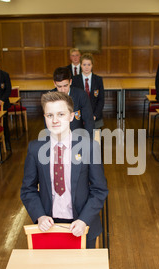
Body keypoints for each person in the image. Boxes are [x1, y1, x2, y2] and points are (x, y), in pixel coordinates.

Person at [20, 91, 108, 248]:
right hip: (48, 226)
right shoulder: (35, 149)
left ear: (71, 116)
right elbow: (28, 190)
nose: (55, 120)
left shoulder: (89, 147)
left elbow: (99, 190)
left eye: (61, 114)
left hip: (82, 225)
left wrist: (84, 219)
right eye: (49, 115)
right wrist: (39, 216)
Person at [52, 66, 95, 138]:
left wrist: (88, 142)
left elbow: (89, 121)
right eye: (59, 86)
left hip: (78, 137)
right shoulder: (50, 98)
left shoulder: (81, 95)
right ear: (54, 83)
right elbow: (48, 124)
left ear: (70, 82)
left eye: (65, 86)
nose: (63, 90)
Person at [72, 52, 105, 129]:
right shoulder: (74, 80)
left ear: (92, 65)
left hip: (95, 117)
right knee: (81, 139)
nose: (86, 67)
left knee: (96, 139)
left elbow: (101, 100)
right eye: (84, 65)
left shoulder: (98, 80)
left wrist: (95, 115)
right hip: (79, 118)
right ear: (80, 65)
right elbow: (74, 99)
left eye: (89, 64)